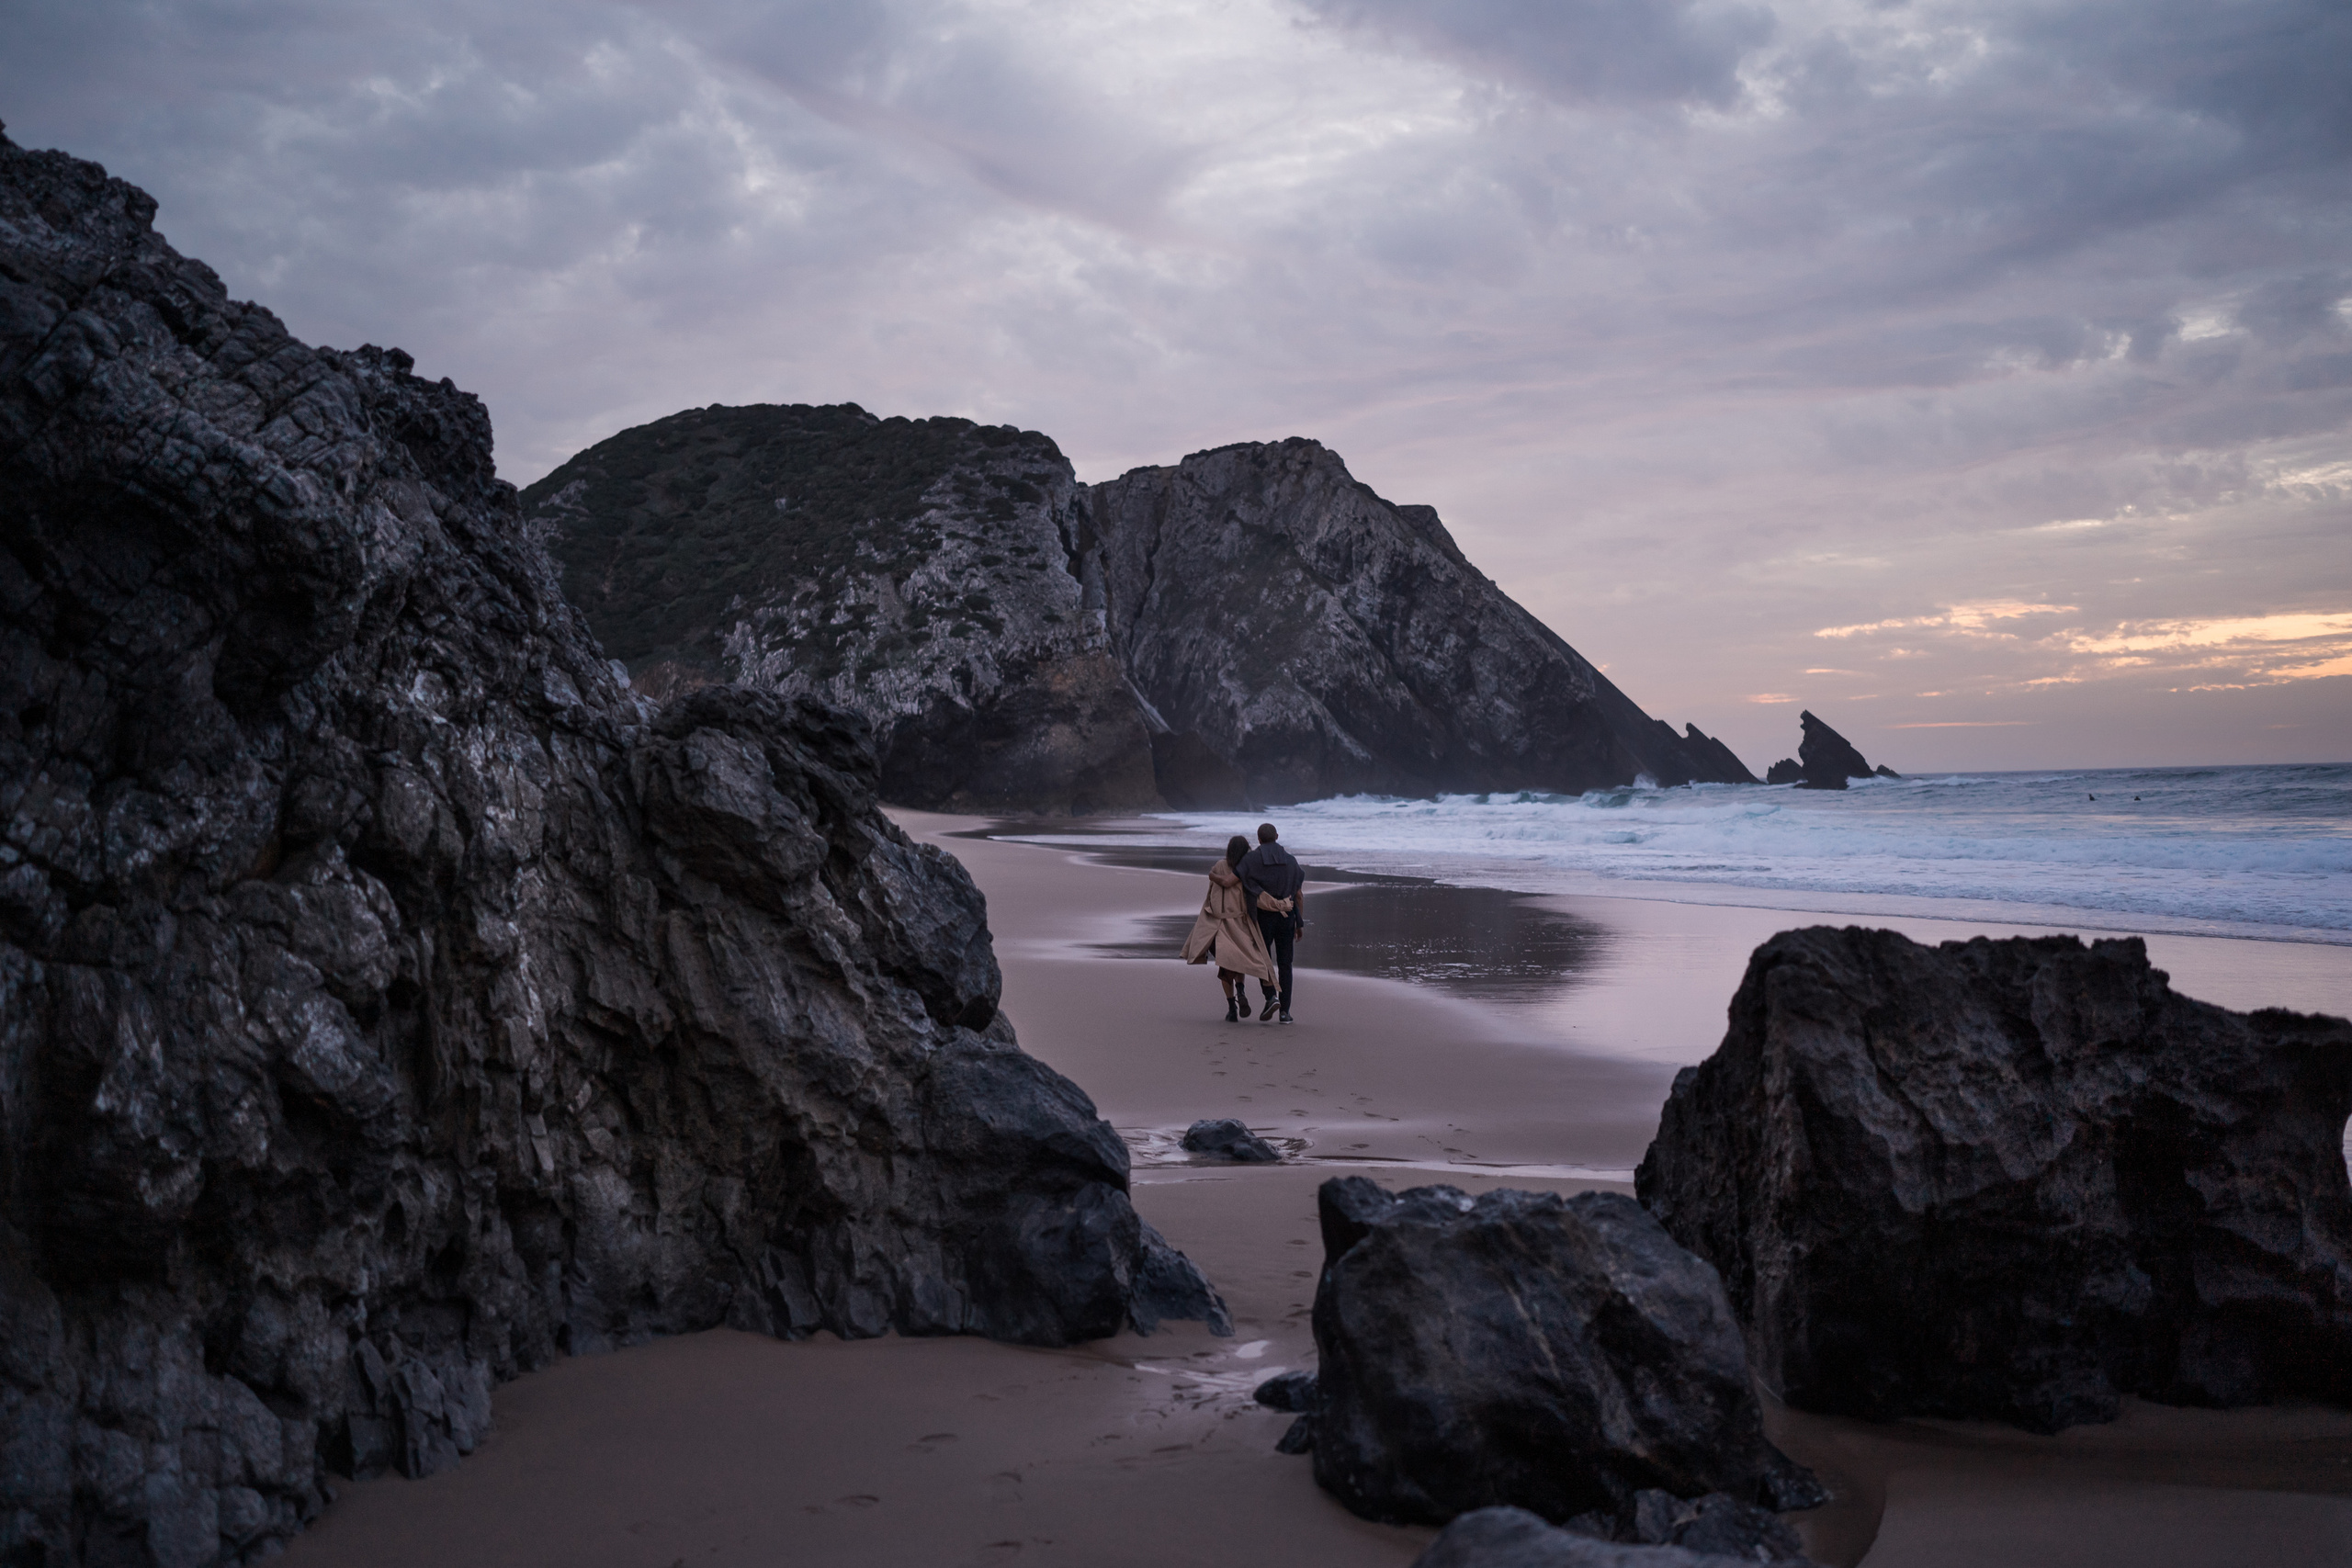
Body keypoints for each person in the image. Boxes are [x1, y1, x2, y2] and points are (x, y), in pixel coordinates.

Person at [1180, 835, 1278, 1021]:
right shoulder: (1249, 870)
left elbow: (1211, 895)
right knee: (1237, 960)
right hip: (1241, 923)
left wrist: (1205, 921)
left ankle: (1232, 1007)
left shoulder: (1218, 866)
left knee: (1226, 965)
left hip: (1220, 924)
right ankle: (1241, 990)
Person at [1238, 821, 1306, 1023]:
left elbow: (1236, 881)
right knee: (1286, 963)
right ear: (1277, 836)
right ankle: (1285, 1012)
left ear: (1258, 839)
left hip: (1262, 917)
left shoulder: (1251, 860)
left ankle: (1270, 997)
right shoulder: (1292, 861)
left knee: (1262, 958)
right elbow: (1299, 895)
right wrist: (1299, 923)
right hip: (1287, 917)